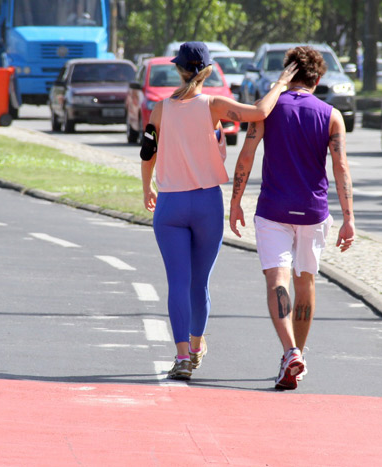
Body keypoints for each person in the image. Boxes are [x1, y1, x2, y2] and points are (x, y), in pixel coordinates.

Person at [141, 42, 297, 380]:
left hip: (170, 205)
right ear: (207, 70)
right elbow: (259, 113)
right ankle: (197, 348)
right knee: (200, 284)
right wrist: (280, 85)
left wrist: (146, 187)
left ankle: (182, 357)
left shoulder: (159, 110)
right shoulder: (213, 105)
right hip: (207, 203)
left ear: (179, 69)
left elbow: (147, 151)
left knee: (177, 283)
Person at [229, 45, 355, 390]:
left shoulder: (268, 110)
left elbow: (246, 155)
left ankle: (290, 351)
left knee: (276, 281)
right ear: (318, 79)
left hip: (273, 209)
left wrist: (235, 201)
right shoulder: (331, 115)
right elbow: (340, 168)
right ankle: (297, 352)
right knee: (305, 282)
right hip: (313, 212)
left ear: (289, 74)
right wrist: (349, 217)